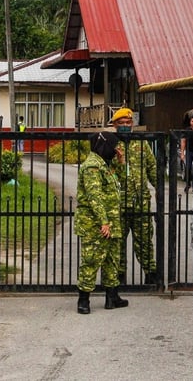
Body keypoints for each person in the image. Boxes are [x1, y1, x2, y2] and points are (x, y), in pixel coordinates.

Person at [74, 130, 128, 314]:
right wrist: (103, 221)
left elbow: (120, 181)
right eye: (114, 147)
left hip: (111, 221)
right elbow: (94, 196)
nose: (116, 150)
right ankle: (83, 300)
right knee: (91, 260)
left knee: (112, 260)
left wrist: (120, 162)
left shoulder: (105, 164)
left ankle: (112, 297)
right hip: (95, 223)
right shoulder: (92, 166)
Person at [110, 107, 158, 284]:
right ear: (115, 125)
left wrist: (159, 189)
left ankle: (150, 274)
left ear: (132, 124)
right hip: (117, 204)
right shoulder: (111, 144)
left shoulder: (142, 143)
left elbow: (152, 168)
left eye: (128, 122)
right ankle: (119, 276)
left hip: (140, 203)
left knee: (144, 241)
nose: (125, 125)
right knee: (118, 242)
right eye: (121, 123)